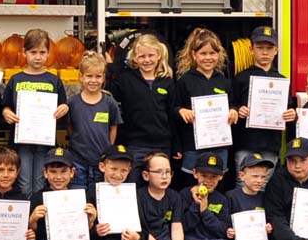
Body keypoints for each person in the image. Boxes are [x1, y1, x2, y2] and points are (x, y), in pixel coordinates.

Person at [2, 29, 69, 195]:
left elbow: (64, 104)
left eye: (42, 52)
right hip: (22, 140)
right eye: (33, 52)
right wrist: (6, 112)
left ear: (48, 54)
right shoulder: (16, 79)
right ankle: (26, 217)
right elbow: (6, 105)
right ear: (24, 53)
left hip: (44, 141)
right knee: (23, 182)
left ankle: (37, 216)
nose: (38, 57)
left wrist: (64, 108)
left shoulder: (54, 80)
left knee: (41, 181)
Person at [173, 28, 238, 187]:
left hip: (219, 145)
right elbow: (174, 107)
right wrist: (181, 110)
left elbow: (233, 103)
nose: (208, 58)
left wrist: (233, 111)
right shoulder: (185, 81)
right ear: (194, 55)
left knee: (216, 185)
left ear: (219, 54)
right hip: (193, 146)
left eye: (212, 53)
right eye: (203, 53)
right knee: (192, 184)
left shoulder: (224, 81)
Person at [233, 25, 296, 174]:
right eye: (260, 47)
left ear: (276, 50)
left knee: (266, 185)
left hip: (271, 145)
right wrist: (237, 110)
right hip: (245, 143)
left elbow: (288, 110)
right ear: (251, 49)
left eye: (269, 48)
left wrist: (292, 115)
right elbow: (231, 105)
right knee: (243, 184)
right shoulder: (241, 78)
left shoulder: (282, 81)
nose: (265, 52)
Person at [111, 33, 176, 174]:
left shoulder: (167, 82)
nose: (147, 60)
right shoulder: (125, 80)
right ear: (134, 58)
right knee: (134, 185)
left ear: (159, 55)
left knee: (160, 185)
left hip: (162, 145)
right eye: (142, 56)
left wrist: (177, 145)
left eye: (151, 55)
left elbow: (172, 115)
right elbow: (108, 95)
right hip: (135, 145)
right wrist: (111, 68)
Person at [66, 51, 121, 190]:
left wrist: (109, 148)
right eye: (89, 76)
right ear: (81, 77)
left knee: (98, 197)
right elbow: (70, 127)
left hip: (101, 161)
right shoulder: (73, 102)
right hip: (78, 160)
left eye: (98, 76)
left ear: (103, 78)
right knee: (78, 196)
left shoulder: (109, 102)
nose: (93, 80)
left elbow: (113, 126)